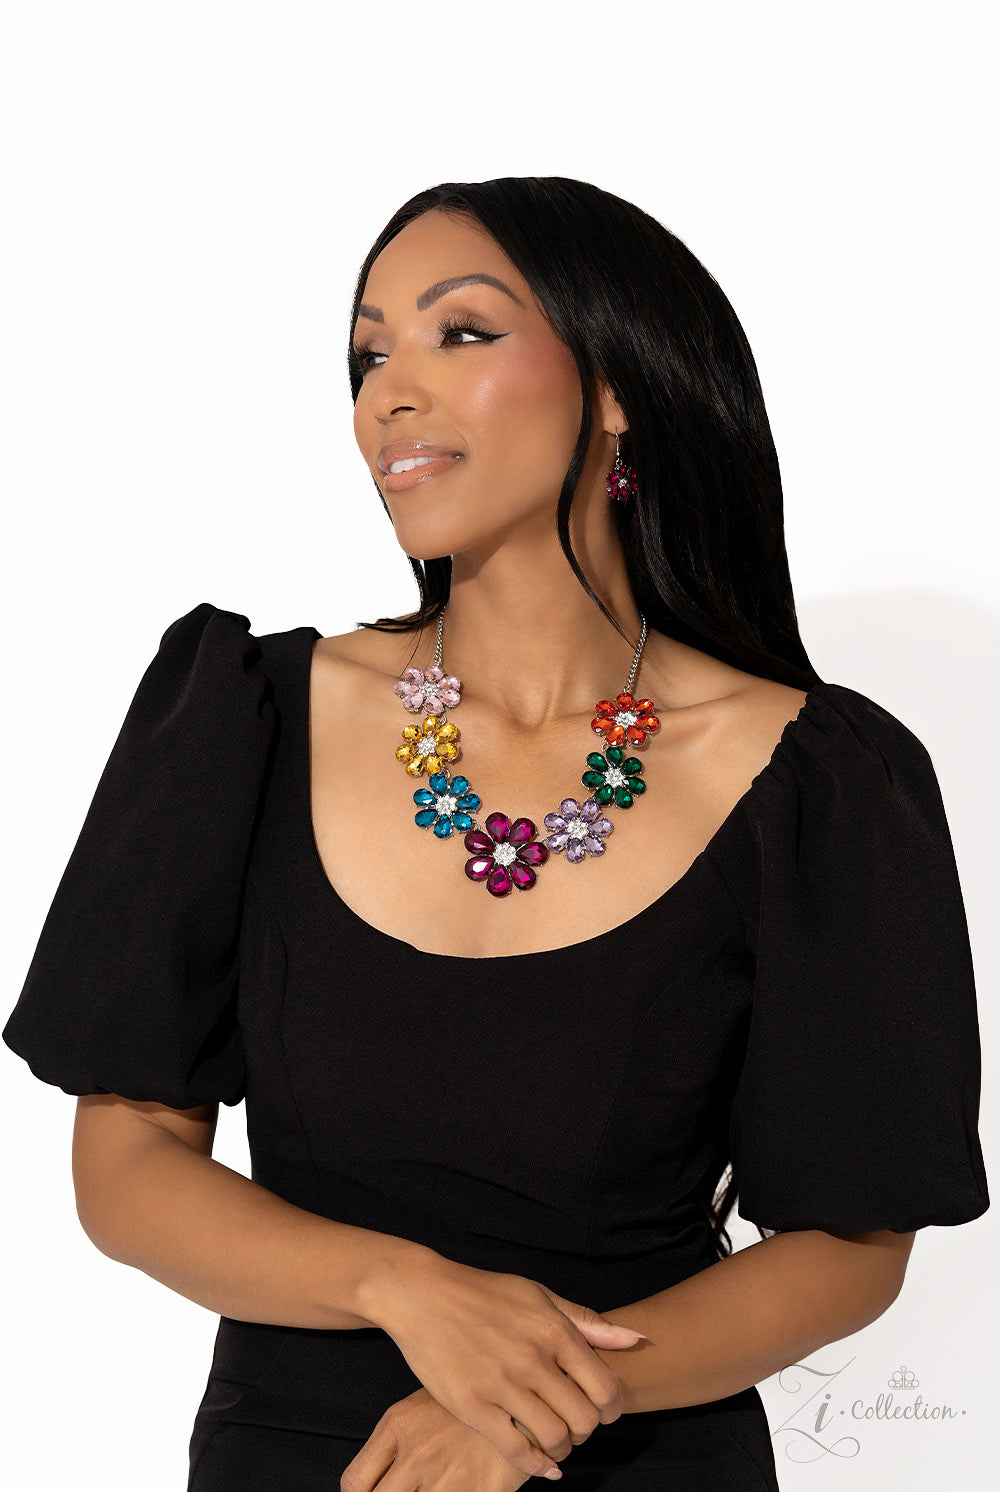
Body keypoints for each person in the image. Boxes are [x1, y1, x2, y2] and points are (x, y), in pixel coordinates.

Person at [3, 176, 989, 1492]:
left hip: (646, 1454)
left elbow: (851, 1247)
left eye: (460, 333)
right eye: (368, 356)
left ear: (617, 384)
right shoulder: (246, 714)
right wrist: (406, 1290)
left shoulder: (823, 779)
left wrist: (540, 1401)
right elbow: (125, 1167)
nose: (387, 396)